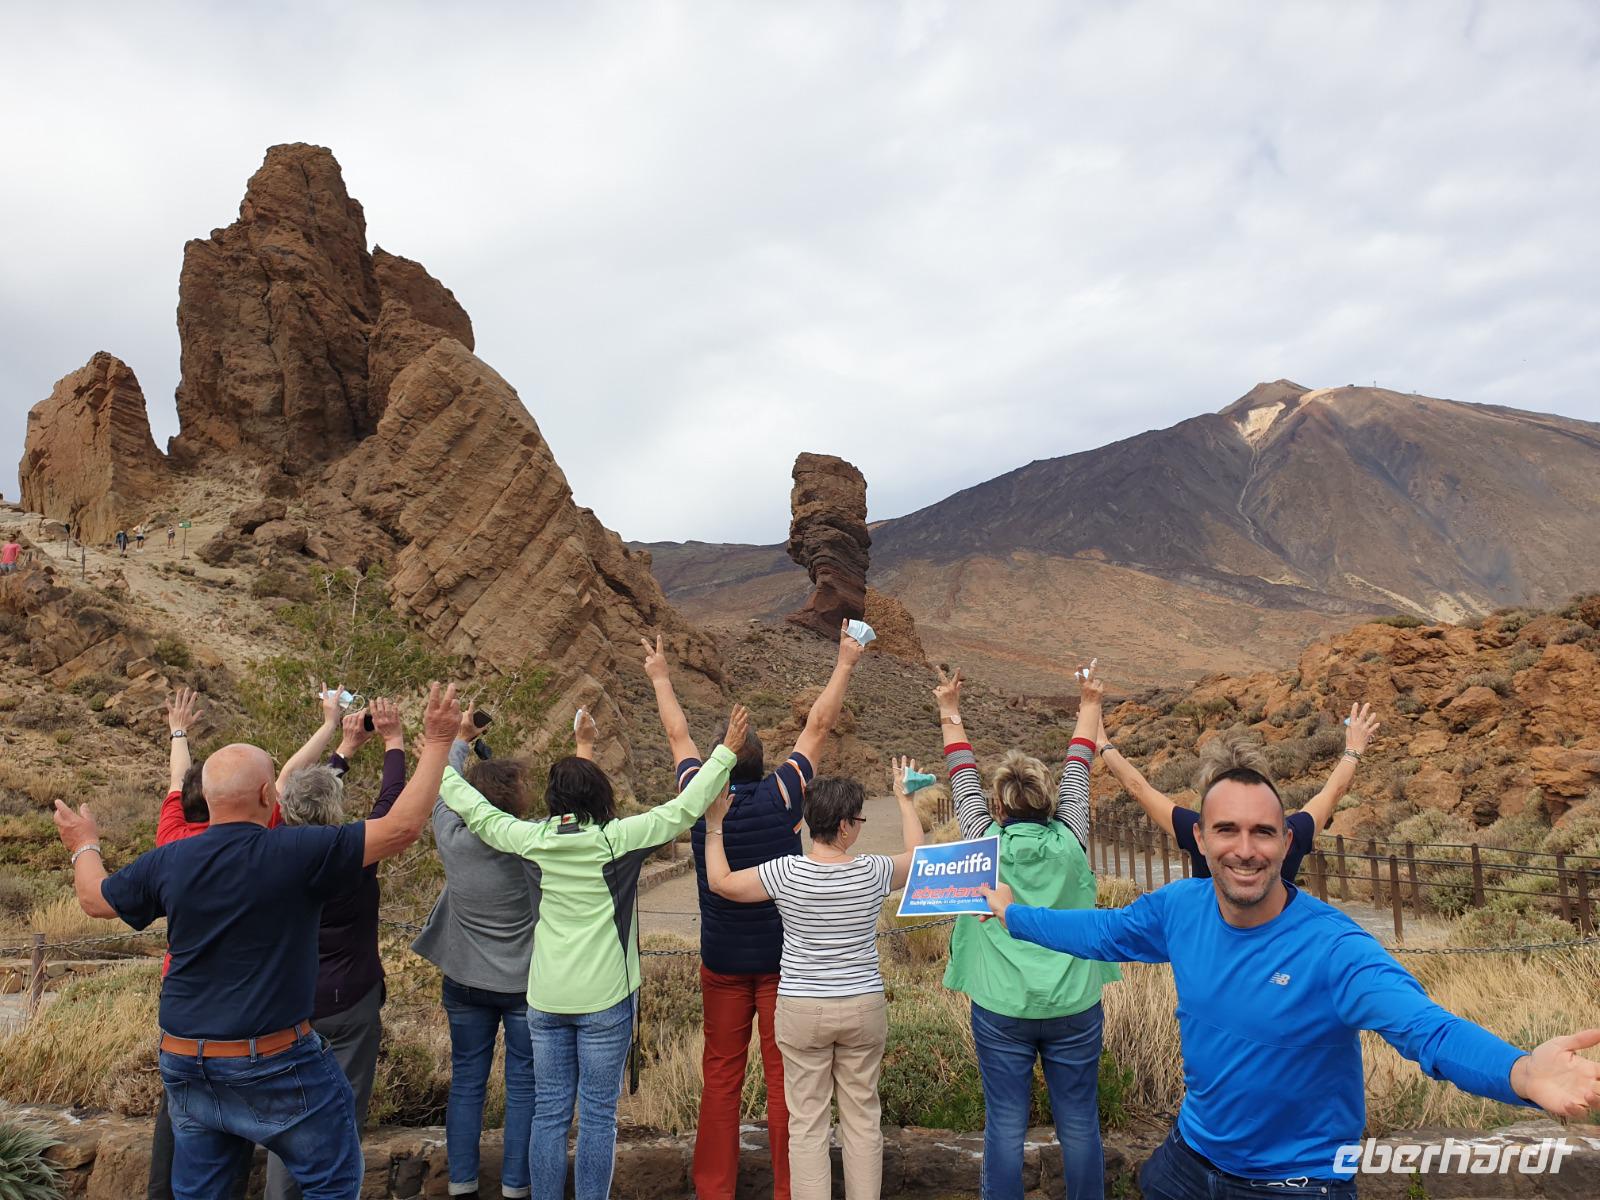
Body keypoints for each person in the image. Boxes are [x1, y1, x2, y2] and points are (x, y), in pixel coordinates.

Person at [979, 752, 1600, 1198]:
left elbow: (1427, 1032)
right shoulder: (1178, 908)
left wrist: (1519, 1071)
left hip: (1297, 1185)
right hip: (1187, 1166)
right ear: (1199, 837)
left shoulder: (1334, 949)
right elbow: (1102, 933)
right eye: (1227, 830)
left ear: (1285, 842)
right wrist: (1015, 917)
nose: (1244, 849)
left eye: (1262, 832)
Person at [53, 681, 465, 1200]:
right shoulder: (293, 852)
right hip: (272, 1060)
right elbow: (401, 826)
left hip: (186, 1062)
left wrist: (83, 843)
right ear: (270, 798)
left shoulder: (169, 859)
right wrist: (435, 740)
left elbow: (93, 898)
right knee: (332, 1179)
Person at [439, 703, 750, 1200]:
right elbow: (682, 810)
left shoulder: (532, 839)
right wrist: (725, 754)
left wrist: (441, 750)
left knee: (549, 1113)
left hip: (546, 997)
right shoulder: (616, 840)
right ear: (601, 796)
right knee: (598, 1116)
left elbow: (474, 808)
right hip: (605, 999)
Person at [643, 622, 865, 1200]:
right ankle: (791, 1189)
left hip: (719, 962)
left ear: (720, 765)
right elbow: (818, 726)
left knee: (720, 1075)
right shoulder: (782, 794)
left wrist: (661, 676)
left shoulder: (698, 797)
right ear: (762, 764)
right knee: (783, 1078)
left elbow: (677, 736)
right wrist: (844, 661)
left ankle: (714, 1188)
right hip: (779, 965)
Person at [935, 663, 1117, 1200]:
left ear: (998, 806)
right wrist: (1089, 701)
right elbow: (1080, 763)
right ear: (1050, 801)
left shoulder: (981, 839)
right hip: (1074, 1003)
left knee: (1006, 1124)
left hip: (1001, 1006)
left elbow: (961, 773)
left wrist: (950, 708)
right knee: (1081, 1122)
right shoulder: (1073, 837)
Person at [705, 760, 926, 1200]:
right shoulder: (872, 871)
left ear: (810, 821)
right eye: (859, 820)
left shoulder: (785, 872)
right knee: (863, 1118)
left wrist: (715, 826)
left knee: (806, 1124)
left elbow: (721, 883)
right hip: (862, 1004)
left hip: (802, 1007)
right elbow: (920, 858)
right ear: (845, 827)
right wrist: (905, 800)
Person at [263, 698, 409, 1200]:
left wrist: (345, 748)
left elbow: (302, 796)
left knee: (288, 1119)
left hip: (290, 1004)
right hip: (352, 1003)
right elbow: (393, 801)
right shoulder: (354, 853)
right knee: (343, 1116)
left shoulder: (273, 851)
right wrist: (394, 742)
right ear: (337, 809)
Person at [412, 706, 539, 1200]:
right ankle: (515, 1186)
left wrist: (460, 737)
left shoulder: (452, 838)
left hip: (464, 981)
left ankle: (462, 1183)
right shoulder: (532, 845)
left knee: (467, 1080)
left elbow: (442, 778)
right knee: (523, 1086)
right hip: (525, 985)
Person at [145, 688, 252, 1200]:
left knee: (179, 1103)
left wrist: (179, 731)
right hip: (237, 1004)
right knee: (232, 1108)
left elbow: (176, 780)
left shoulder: (170, 844)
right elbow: (290, 775)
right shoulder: (252, 842)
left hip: (182, 994)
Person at [1098, 703, 1379, 882]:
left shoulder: (1200, 830)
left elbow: (1139, 789)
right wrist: (1353, 750)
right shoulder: (1288, 832)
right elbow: (1331, 794)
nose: (1245, 851)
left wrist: (1103, 743)